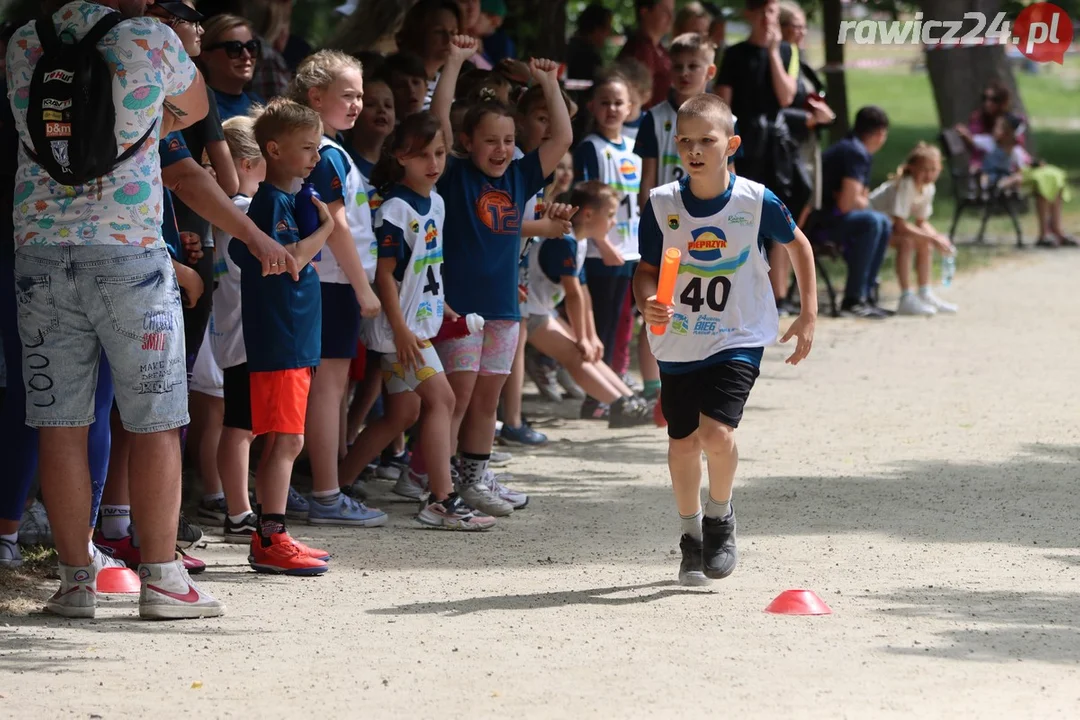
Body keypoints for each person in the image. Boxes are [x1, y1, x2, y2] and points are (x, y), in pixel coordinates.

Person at [4, 0, 302, 619]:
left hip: (38, 250)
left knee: (60, 423)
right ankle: (164, 580)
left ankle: (74, 582)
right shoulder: (150, 38)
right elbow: (191, 116)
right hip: (128, 254)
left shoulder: (21, 43)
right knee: (156, 419)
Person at [633, 93, 817, 585]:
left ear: (730, 144)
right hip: (677, 340)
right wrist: (646, 300)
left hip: (737, 333)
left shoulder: (755, 201)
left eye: (707, 141)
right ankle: (690, 535)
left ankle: (720, 519)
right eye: (686, 141)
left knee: (716, 433)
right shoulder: (661, 204)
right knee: (682, 444)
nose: (696, 150)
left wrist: (808, 313)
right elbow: (646, 271)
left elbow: (798, 243)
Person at [429, 35, 572, 514]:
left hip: (504, 310)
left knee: (486, 401)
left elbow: (562, 138)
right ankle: (441, 486)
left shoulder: (520, 175)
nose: (501, 149)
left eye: (508, 141)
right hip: (460, 307)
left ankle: (472, 480)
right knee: (458, 394)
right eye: (490, 140)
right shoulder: (452, 173)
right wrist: (453, 61)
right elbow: (439, 116)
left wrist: (549, 82)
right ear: (467, 142)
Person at [231, 98, 336, 574]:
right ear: (273, 149)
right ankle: (270, 539)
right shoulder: (270, 201)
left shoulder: (286, 199)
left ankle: (274, 533)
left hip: (295, 338)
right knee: (286, 440)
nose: (316, 157)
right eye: (308, 148)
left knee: (286, 439)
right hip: (282, 340)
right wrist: (328, 229)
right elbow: (287, 258)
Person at [288, 50, 386, 527]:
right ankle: (326, 494)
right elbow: (339, 228)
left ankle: (319, 489)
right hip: (332, 283)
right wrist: (364, 289)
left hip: (332, 283)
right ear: (315, 96)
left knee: (329, 391)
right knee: (327, 392)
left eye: (360, 95)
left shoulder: (330, 150)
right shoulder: (325, 152)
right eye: (347, 95)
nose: (357, 104)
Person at [525, 181, 653, 428]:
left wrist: (591, 336)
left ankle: (630, 400)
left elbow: (584, 294)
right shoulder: (565, 241)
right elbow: (573, 295)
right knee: (576, 355)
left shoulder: (579, 241)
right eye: (611, 215)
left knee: (588, 353)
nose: (614, 222)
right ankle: (620, 405)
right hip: (529, 309)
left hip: (541, 308)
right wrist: (583, 337)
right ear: (588, 214)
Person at [206, 114, 265, 541]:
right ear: (247, 163)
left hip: (242, 333)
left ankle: (242, 506)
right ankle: (238, 510)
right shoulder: (242, 210)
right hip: (245, 335)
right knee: (240, 426)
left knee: (244, 424)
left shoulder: (232, 209)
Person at [573, 71, 641, 409]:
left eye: (618, 103)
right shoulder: (589, 147)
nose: (612, 109)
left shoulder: (633, 147)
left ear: (630, 107)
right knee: (599, 323)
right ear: (592, 107)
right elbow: (584, 199)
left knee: (619, 322)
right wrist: (603, 244)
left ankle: (613, 391)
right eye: (605, 103)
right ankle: (595, 396)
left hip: (629, 249)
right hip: (602, 253)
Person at [774, 0, 833, 314]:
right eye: (795, 25)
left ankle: (787, 289)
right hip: (790, 146)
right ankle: (778, 293)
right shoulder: (782, 55)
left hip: (807, 144)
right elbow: (778, 105)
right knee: (786, 221)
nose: (801, 31)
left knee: (800, 216)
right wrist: (808, 118)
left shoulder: (798, 57)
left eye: (802, 25)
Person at [869, 143, 958, 316]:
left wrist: (938, 238)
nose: (929, 174)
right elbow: (900, 225)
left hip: (887, 226)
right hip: (872, 227)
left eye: (934, 169)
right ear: (912, 168)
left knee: (925, 241)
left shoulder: (928, 188)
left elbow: (921, 222)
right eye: (925, 169)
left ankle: (925, 292)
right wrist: (932, 238)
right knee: (908, 242)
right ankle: (906, 297)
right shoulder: (906, 184)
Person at [819, 105, 892, 318]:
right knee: (873, 222)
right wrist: (860, 199)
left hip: (831, 220)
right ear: (880, 133)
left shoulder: (855, 148)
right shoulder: (855, 152)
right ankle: (853, 298)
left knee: (882, 221)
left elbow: (858, 198)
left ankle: (865, 294)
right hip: (821, 225)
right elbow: (847, 203)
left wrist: (859, 199)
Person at [980, 113, 1075, 248]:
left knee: (1053, 176)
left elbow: (1024, 163)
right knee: (1040, 180)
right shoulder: (990, 145)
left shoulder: (1015, 149)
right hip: (1001, 183)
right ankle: (1044, 234)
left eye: (999, 128)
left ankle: (1056, 229)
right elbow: (987, 170)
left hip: (1016, 179)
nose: (995, 130)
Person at [396, 0, 462, 110]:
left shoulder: (448, 82)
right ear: (418, 32)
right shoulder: (399, 81)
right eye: (439, 31)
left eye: (453, 32)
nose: (448, 39)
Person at [200, 14, 263, 120]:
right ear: (206, 56)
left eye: (251, 46)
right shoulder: (198, 108)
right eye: (235, 48)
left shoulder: (258, 104)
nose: (246, 55)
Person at [956, 82, 1028, 173]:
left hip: (1007, 166)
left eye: (994, 100)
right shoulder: (978, 119)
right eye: (985, 98)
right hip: (983, 164)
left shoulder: (1009, 121)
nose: (988, 103)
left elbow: (1017, 144)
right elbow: (975, 143)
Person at [618, 0, 675, 110]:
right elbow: (640, 98)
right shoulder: (640, 49)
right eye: (665, 11)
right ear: (645, 12)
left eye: (672, 11)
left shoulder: (659, 48)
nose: (671, 17)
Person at [566, 3, 613, 85]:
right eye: (607, 28)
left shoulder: (569, 48)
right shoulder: (588, 56)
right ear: (595, 29)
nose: (608, 34)